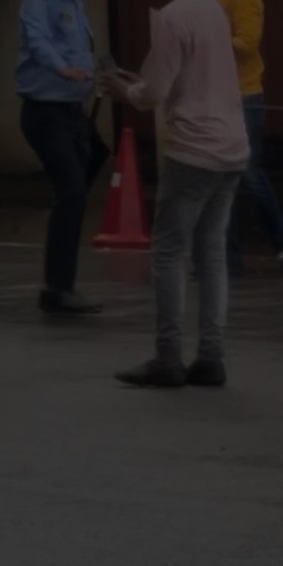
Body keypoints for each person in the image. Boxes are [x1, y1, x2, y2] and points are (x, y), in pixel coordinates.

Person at [102, 0, 248, 388]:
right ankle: (211, 356)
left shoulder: (171, 18)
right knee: (211, 252)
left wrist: (125, 90)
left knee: (169, 251)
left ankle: (168, 357)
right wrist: (140, 85)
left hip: (193, 148)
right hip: (231, 146)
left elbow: (153, 93)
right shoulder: (213, 10)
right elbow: (181, 77)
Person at [17, 0, 109, 315]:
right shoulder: (37, 3)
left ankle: (59, 279)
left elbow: (82, 51)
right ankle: (58, 289)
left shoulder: (77, 5)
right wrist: (62, 69)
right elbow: (39, 41)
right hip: (46, 111)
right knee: (71, 191)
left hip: (73, 112)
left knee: (91, 165)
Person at [219, 0, 283, 268]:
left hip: (244, 95)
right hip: (217, 94)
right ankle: (228, 257)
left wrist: (209, 41)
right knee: (221, 177)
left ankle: (280, 239)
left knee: (250, 172)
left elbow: (247, 43)